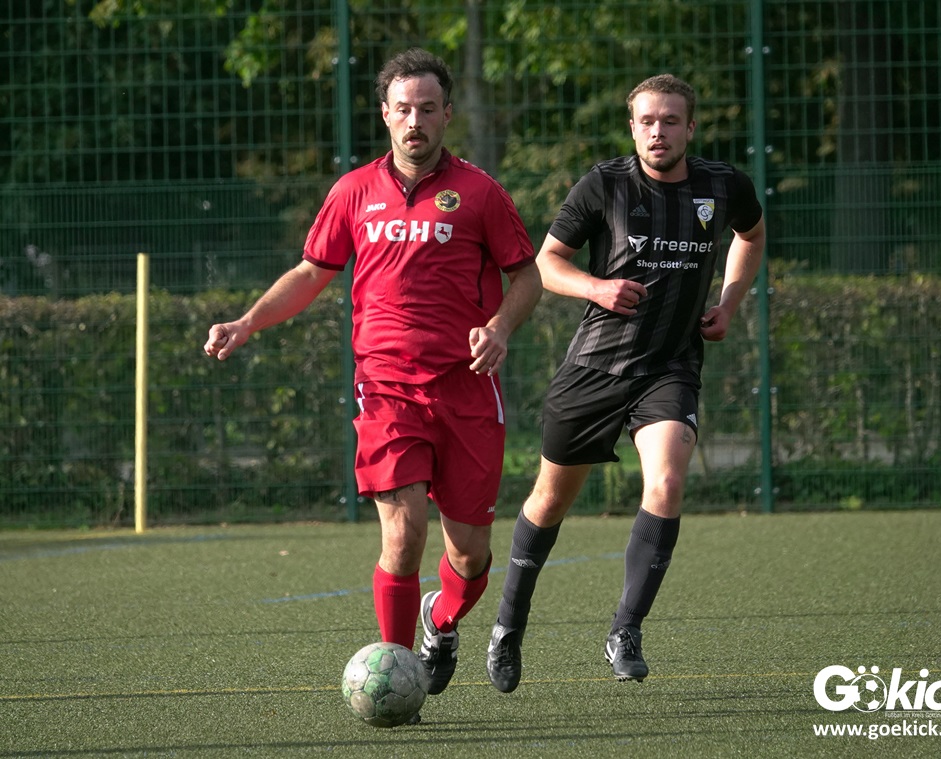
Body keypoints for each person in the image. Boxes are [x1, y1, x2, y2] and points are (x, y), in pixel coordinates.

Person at [204, 48, 541, 698]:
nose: (415, 121)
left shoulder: (480, 193)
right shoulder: (353, 191)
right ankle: (396, 673)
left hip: (467, 388)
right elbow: (311, 272)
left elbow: (526, 276)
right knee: (403, 533)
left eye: (427, 109)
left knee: (469, 553)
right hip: (386, 388)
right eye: (403, 109)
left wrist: (499, 328)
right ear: (385, 114)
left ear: (447, 114)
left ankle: (441, 622)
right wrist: (247, 321)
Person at [485, 73, 765, 692]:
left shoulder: (724, 186)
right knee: (549, 501)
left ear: (691, 128)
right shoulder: (604, 185)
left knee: (666, 482)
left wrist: (730, 301)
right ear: (632, 127)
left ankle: (625, 629)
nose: (658, 132)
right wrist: (598, 288)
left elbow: (751, 234)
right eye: (647, 121)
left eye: (671, 121)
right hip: (595, 367)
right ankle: (507, 627)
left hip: (670, 367)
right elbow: (546, 263)